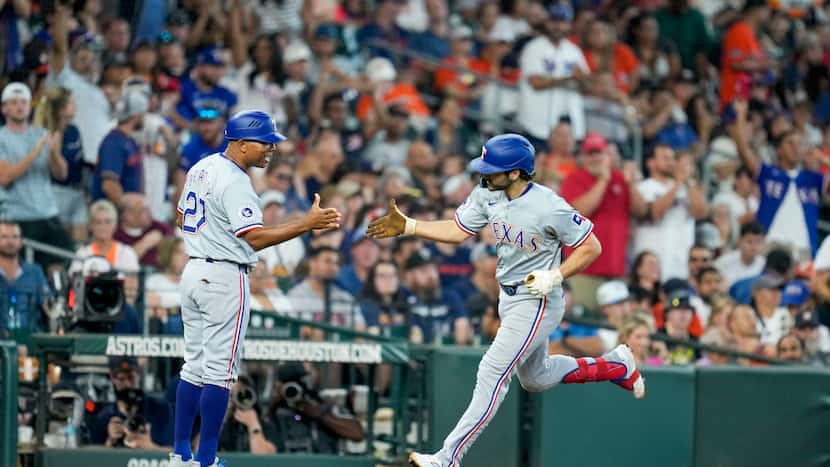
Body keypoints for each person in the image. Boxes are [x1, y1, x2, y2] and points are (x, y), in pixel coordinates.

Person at [366, 133, 644, 467]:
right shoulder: (487, 193)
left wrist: (556, 275)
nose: (484, 174)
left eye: (492, 168)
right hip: (508, 297)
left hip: (538, 298)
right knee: (535, 378)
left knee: (492, 371)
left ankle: (447, 458)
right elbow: (458, 230)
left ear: (515, 173)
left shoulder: (549, 206)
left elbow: (591, 246)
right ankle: (614, 366)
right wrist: (411, 226)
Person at [169, 110, 342, 467]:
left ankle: (180, 454)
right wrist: (306, 224)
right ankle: (206, 460)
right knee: (220, 372)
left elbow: (179, 215)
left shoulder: (201, 167)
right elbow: (255, 238)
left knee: (193, 367)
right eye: (265, 143)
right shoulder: (236, 181)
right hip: (224, 277)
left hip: (193, 270)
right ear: (242, 143)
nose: (271, 150)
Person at [730, 98, 827, 261]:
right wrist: (740, 115)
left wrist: (822, 159)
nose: (796, 148)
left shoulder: (812, 178)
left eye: (799, 144)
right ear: (779, 150)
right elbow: (743, 150)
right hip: (770, 245)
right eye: (790, 143)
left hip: (803, 248)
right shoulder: (769, 172)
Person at [559, 132, 647, 310]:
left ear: (608, 155)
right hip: (583, 272)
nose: (595, 158)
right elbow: (579, 212)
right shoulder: (574, 179)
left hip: (616, 271)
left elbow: (641, 211)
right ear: (583, 157)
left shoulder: (621, 179)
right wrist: (603, 180)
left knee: (616, 328)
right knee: (582, 321)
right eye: (590, 153)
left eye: (599, 153)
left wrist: (631, 184)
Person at [0, 82, 72, 271]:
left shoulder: (41, 134)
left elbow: (62, 174)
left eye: (24, 102)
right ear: (4, 108)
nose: (19, 106)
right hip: (18, 216)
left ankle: (57, 299)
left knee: (60, 263)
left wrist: (54, 154)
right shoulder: (2, 138)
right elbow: (5, 177)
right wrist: (35, 152)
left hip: (48, 212)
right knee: (22, 268)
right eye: (13, 102)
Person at [518, 2, 590, 146]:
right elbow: (536, 82)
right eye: (554, 21)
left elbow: (587, 86)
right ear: (547, 22)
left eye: (562, 22)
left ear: (569, 25)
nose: (557, 26)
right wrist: (569, 78)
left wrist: (582, 80)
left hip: (569, 129)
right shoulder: (534, 47)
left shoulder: (574, 51)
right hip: (536, 124)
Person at [633, 144, 709, 280]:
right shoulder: (643, 187)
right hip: (651, 262)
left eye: (672, 158)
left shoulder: (686, 189)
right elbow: (654, 214)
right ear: (650, 163)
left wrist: (688, 181)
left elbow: (702, 212)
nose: (671, 162)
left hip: (680, 263)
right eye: (665, 158)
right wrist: (678, 183)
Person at [264, 362, 365, 454]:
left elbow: (357, 433)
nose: (293, 392)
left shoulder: (324, 405)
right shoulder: (277, 411)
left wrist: (320, 415)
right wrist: (275, 402)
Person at [92, 357, 173, 450]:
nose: (127, 384)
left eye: (131, 377)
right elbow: (93, 459)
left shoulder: (160, 410)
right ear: (112, 378)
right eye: (121, 379)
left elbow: (175, 453)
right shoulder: (105, 417)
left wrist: (150, 446)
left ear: (138, 375)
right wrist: (110, 441)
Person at [90, 89, 149, 205]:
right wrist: (128, 211)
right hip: (114, 214)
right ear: (136, 115)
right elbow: (109, 185)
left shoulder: (129, 141)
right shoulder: (114, 143)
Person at [0, 221, 50, 346]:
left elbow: (49, 306)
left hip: (31, 343)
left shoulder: (34, 272)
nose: (10, 242)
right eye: (4, 236)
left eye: (15, 237)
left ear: (21, 241)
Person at [217, 375, 277, 454]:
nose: (236, 399)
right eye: (231, 395)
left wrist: (253, 425)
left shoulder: (266, 426)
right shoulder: (223, 427)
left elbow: (264, 458)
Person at [714, 221, 765, 289]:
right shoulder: (723, 262)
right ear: (740, 241)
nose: (754, 247)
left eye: (758, 242)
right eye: (749, 242)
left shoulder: (765, 265)